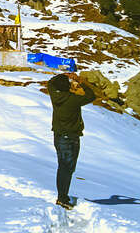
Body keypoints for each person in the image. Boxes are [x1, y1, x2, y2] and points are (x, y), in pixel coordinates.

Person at [47, 71, 96, 209]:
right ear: (66, 87)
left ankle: (62, 196)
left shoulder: (55, 95)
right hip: (70, 138)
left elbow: (51, 82)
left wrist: (64, 75)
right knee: (67, 168)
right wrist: (79, 81)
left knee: (62, 167)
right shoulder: (72, 99)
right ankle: (62, 198)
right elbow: (91, 95)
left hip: (58, 136)